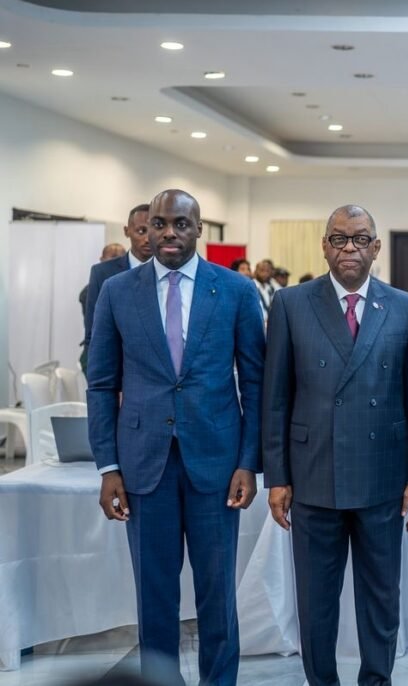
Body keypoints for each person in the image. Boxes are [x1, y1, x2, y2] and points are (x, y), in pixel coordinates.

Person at [87, 190, 265, 686]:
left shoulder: (235, 290)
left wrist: (249, 461)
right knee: (155, 596)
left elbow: (255, 382)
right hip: (143, 466)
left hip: (217, 465)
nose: (169, 233)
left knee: (217, 594)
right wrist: (108, 466)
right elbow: (101, 384)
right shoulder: (118, 291)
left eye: (180, 224)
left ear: (198, 229)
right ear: (145, 228)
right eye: (159, 223)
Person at [262, 205, 408, 686]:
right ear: (325, 246)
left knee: (381, 597)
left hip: (383, 475)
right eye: (339, 239)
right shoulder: (292, 303)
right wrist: (277, 476)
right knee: (316, 601)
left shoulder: (401, 305)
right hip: (313, 474)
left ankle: (376, 680)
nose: (349, 248)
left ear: (376, 247)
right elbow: (275, 397)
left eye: (360, 239)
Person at [82, 206, 154, 371]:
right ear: (127, 231)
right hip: (117, 371)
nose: (147, 239)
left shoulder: (170, 273)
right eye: (141, 231)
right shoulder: (103, 273)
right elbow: (93, 333)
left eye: (153, 231)